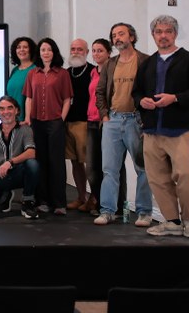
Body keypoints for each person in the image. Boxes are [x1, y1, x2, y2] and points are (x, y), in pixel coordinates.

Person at [134, 15, 189, 238]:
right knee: (158, 179)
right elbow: (136, 92)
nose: (163, 36)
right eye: (159, 32)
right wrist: (141, 101)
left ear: (175, 34)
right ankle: (172, 222)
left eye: (168, 31)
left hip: (180, 129)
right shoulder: (147, 64)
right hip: (151, 131)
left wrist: (175, 98)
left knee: (186, 175)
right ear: (153, 35)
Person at [93, 22, 153, 227]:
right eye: (114, 35)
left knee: (143, 168)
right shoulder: (111, 63)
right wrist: (105, 116)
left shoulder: (145, 61)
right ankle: (107, 211)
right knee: (109, 170)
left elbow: (151, 91)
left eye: (121, 34)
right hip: (113, 120)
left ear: (132, 37)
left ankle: (144, 212)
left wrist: (147, 122)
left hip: (136, 120)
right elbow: (100, 91)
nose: (117, 38)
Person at [23, 37, 72, 215]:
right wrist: (28, 118)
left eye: (49, 49)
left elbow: (67, 99)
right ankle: (43, 201)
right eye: (43, 50)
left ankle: (59, 203)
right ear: (39, 53)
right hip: (37, 123)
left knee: (56, 162)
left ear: (54, 52)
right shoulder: (32, 74)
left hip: (55, 123)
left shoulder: (62, 74)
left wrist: (61, 119)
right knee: (40, 161)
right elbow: (29, 98)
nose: (46, 53)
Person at [0, 95, 40, 219]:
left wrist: (10, 162)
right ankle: (6, 194)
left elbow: (31, 152)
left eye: (10, 108)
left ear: (16, 110)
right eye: (2, 109)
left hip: (18, 172)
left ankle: (28, 201)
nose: (6, 112)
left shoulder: (25, 129)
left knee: (33, 164)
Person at [85, 38, 127, 216]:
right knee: (92, 168)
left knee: (113, 166)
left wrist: (107, 116)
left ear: (109, 52)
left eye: (100, 50)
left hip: (108, 122)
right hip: (91, 122)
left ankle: (118, 206)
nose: (96, 54)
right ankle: (101, 201)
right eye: (94, 50)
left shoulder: (113, 70)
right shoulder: (93, 72)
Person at [65, 39, 95, 210]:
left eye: (80, 49)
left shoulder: (93, 72)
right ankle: (81, 196)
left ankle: (94, 198)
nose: (76, 52)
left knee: (90, 164)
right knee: (75, 163)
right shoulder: (66, 73)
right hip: (68, 123)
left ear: (87, 52)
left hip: (85, 124)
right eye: (73, 49)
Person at [6, 37, 37, 122]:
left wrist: (27, 117)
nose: (21, 50)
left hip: (27, 120)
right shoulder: (15, 70)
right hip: (12, 119)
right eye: (18, 47)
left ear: (31, 50)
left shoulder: (35, 70)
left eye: (25, 47)